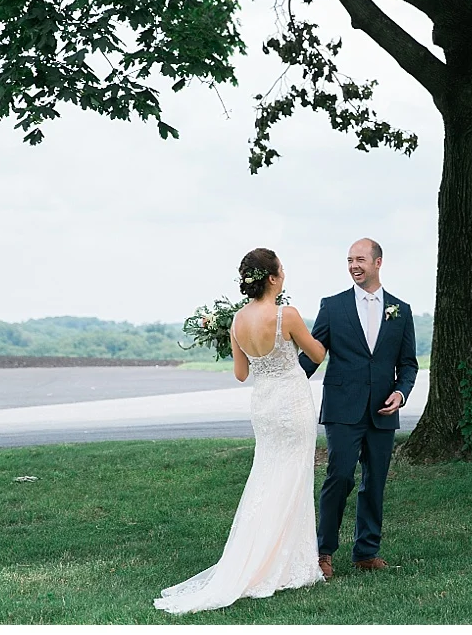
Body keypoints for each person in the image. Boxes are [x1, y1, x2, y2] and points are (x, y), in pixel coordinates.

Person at [154, 248, 327, 614]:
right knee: (294, 476)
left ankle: (263, 556)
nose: (284, 274)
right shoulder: (287, 315)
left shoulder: (236, 320)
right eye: (282, 269)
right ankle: (288, 563)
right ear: (273, 278)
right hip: (292, 402)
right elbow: (316, 354)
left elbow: (241, 373)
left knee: (267, 475)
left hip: (263, 405)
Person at [299, 238, 418, 580]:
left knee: (375, 481)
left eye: (360, 259)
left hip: (382, 411)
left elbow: (408, 364)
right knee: (339, 477)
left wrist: (401, 393)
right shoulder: (332, 306)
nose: (354, 265)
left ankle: (366, 551)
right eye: (350, 259)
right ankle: (324, 551)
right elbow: (313, 355)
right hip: (342, 408)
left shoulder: (400, 310)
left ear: (378, 262)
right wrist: (286, 379)